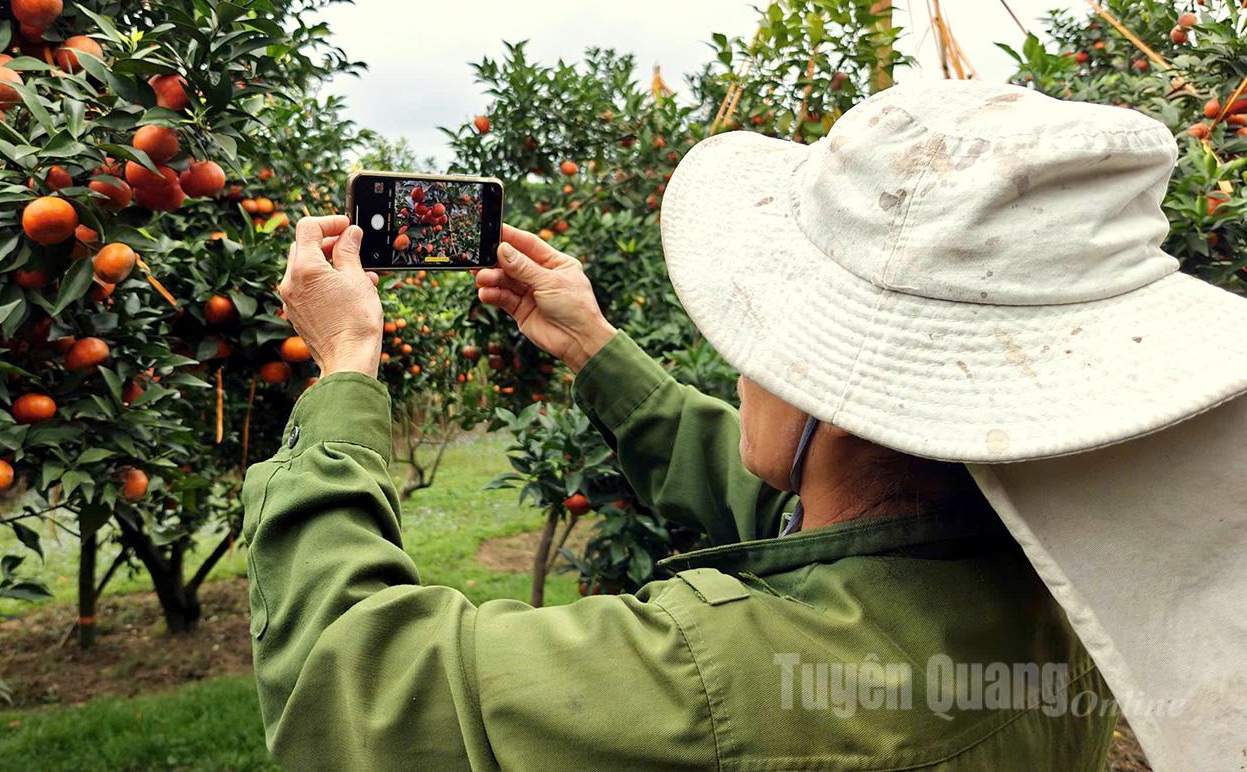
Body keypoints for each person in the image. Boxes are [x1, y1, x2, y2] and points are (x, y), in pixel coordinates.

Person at [245, 80, 1245, 769]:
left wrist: (347, 369)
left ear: (826, 382)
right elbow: (831, 525)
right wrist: (593, 346)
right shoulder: (1053, 590)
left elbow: (352, 686)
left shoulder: (717, 681)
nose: (743, 362)